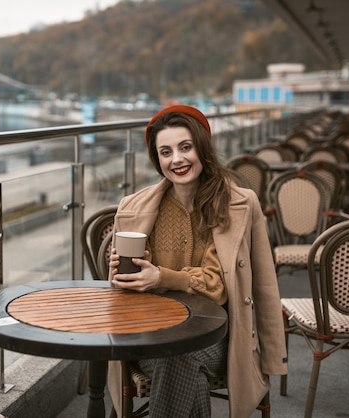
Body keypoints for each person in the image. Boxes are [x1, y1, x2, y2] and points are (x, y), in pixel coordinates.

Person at [107, 105, 287, 418]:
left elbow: (230, 286)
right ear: (157, 160)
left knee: (179, 356)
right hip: (151, 335)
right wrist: (125, 278)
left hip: (221, 339)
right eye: (165, 152)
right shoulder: (134, 208)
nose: (176, 159)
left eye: (185, 147)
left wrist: (273, 356)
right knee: (176, 357)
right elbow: (122, 293)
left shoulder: (240, 205)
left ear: (202, 148)